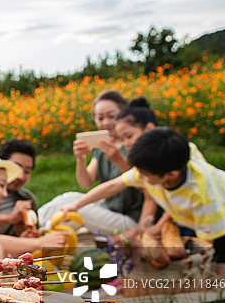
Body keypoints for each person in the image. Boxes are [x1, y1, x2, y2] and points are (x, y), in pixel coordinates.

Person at [58, 127, 225, 278]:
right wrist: (75, 205)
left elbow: (209, 242)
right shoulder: (153, 170)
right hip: (217, 214)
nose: (140, 179)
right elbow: (114, 185)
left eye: (145, 176)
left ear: (171, 174)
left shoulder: (201, 197)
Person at [38, 90, 145, 235]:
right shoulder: (102, 146)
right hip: (108, 209)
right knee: (68, 198)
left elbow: (142, 183)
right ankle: (33, 222)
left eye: (111, 116)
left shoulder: (134, 144)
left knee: (78, 209)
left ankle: (41, 234)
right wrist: (80, 159)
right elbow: (86, 182)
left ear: (125, 114)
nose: (105, 122)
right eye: (100, 118)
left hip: (132, 218)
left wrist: (119, 160)